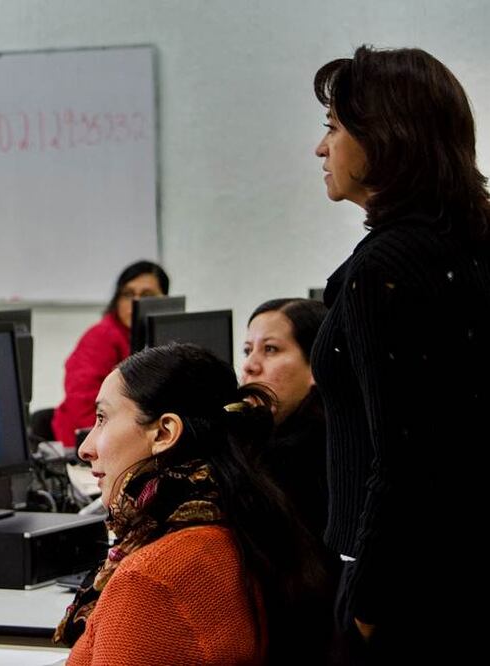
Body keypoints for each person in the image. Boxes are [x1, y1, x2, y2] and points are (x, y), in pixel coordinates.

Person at [312, 46, 490, 659]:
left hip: (403, 594)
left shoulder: (385, 269)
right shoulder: (465, 244)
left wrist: (365, 606)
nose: (321, 148)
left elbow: (406, 462)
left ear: (384, 137)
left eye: (333, 127)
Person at [56, 343, 329, 664]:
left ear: (164, 432)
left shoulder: (148, 579)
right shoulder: (243, 520)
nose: (85, 448)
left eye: (102, 417)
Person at [51, 260, 170, 448]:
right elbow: (82, 406)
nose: (135, 303)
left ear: (166, 300)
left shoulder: (163, 337)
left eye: (147, 295)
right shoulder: (100, 338)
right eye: (128, 294)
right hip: (88, 442)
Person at [240, 297, 329, 537]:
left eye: (270, 349)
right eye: (248, 350)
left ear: (316, 366)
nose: (249, 365)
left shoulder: (301, 458)